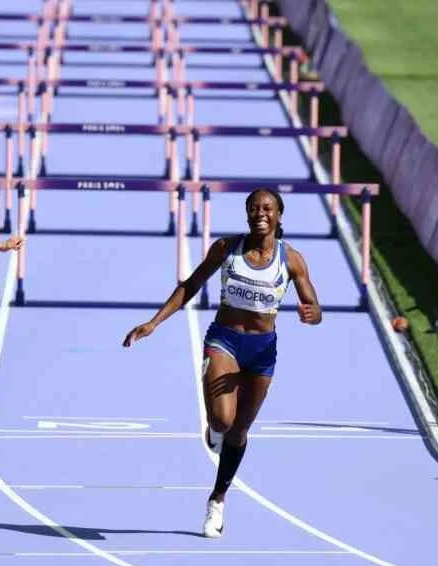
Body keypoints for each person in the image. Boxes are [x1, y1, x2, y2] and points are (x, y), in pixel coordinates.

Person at [123, 188, 322, 538]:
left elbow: (315, 307)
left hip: (262, 351)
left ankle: (217, 499)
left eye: (267, 208)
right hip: (224, 340)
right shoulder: (226, 248)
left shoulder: (291, 260)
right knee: (222, 419)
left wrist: (312, 314)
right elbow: (191, 284)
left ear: (279, 215)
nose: (260, 213)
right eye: (253, 208)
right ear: (247, 214)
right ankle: (215, 424)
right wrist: (154, 322)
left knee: (240, 431)